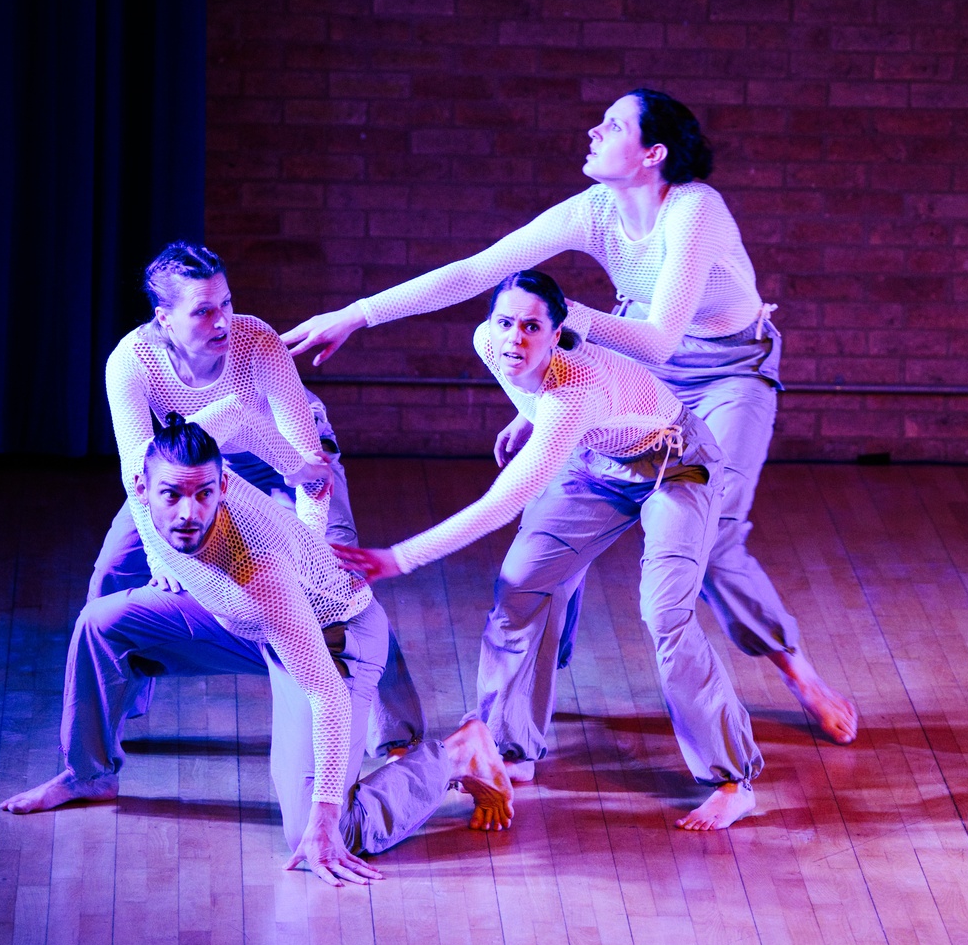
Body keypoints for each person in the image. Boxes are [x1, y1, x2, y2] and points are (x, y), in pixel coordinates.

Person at [284, 90, 857, 745]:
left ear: (653, 153)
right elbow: (476, 272)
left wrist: (568, 324)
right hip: (630, 362)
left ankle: (797, 669)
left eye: (612, 125)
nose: (593, 130)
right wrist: (358, 315)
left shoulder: (694, 208)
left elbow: (660, 340)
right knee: (549, 524)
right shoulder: (594, 210)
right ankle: (524, 710)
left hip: (727, 371)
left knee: (715, 534)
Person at [333, 271, 761, 830]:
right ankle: (511, 748)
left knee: (665, 613)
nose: (514, 338)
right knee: (519, 587)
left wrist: (399, 557)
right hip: (595, 464)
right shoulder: (489, 345)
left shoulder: (574, 396)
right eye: (505, 322)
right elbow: (533, 381)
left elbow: (502, 502)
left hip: (676, 467)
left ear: (556, 335)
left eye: (532, 328)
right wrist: (527, 415)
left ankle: (733, 781)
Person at [0, 420, 514, 885]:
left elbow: (327, 696)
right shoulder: (155, 479)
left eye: (204, 494)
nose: (188, 513)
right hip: (245, 624)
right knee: (102, 624)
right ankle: (87, 774)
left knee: (316, 831)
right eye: (172, 495)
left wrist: (324, 813)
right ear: (141, 489)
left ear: (223, 487)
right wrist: (297, 470)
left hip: (331, 642)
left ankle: (456, 755)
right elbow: (237, 413)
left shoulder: (257, 570)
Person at [100, 242, 422, 755]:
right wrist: (160, 557)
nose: (222, 320)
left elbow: (306, 465)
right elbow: (137, 474)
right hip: (195, 471)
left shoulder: (257, 341)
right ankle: (102, 740)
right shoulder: (130, 363)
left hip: (284, 457)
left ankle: (397, 734)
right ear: (164, 319)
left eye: (226, 303)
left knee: (339, 580)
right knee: (113, 572)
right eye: (203, 311)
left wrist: (306, 549)